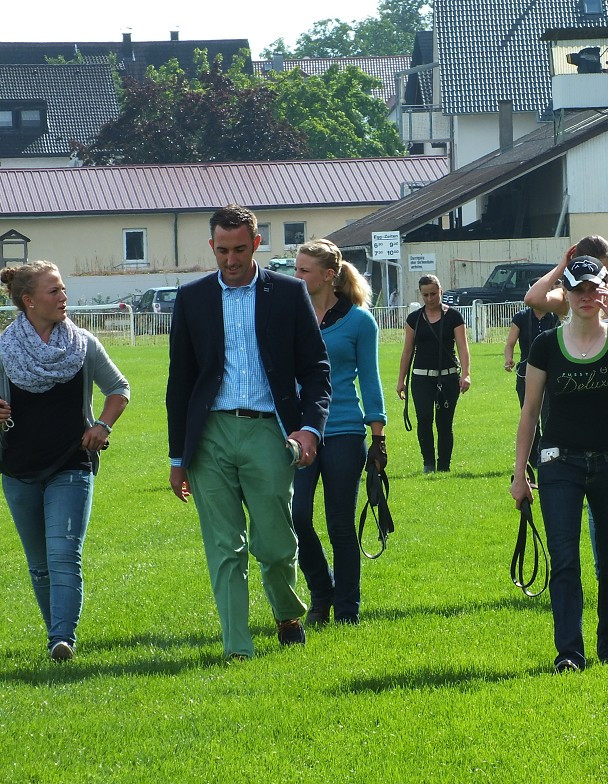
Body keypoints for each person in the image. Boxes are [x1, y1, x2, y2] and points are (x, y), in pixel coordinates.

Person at [166, 204, 331, 660]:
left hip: (269, 433)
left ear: (256, 243)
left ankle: (286, 612)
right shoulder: (193, 297)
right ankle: (237, 648)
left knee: (275, 544)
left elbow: (316, 370)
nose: (231, 259)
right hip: (210, 436)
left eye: (240, 249)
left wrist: (309, 429)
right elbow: (179, 381)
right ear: (212, 247)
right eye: (222, 250)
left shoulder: (288, 293)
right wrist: (177, 457)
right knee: (226, 547)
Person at [511, 255, 608, 672]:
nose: (585, 297)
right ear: (566, 291)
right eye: (577, 289)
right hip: (559, 464)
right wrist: (519, 473)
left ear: (604, 290)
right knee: (564, 561)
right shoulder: (546, 345)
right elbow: (529, 413)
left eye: (593, 289)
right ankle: (569, 654)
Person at [0, 261, 129, 662]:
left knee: (63, 554)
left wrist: (103, 427)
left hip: (71, 463)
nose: (63, 297)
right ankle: (54, 633)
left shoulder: (83, 344)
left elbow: (118, 389)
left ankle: (62, 640)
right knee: (39, 565)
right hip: (18, 468)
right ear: (29, 301)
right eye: (53, 291)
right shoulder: (3, 348)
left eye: (62, 289)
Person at [291, 239, 387, 625]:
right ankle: (321, 590)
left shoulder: (360, 322)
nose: (296, 276)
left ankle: (348, 610)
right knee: (297, 518)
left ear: (328, 276)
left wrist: (378, 437)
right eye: (295, 269)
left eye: (303, 270)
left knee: (340, 526)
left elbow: (371, 379)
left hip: (346, 430)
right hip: (299, 433)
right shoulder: (290, 315)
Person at [396, 274, 471, 473]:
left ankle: (444, 466)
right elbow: (407, 351)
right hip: (421, 377)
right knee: (425, 418)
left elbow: (463, 348)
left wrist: (466, 374)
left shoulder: (454, 317)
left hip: (448, 376)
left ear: (441, 291)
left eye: (433, 294)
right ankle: (428, 464)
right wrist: (401, 380)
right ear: (421, 295)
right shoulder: (414, 319)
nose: (430, 299)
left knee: (444, 423)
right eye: (426, 295)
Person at [504, 305, 560, 468]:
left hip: (552, 373)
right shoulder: (521, 317)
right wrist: (508, 359)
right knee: (529, 415)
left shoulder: (556, 317)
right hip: (526, 374)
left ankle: (550, 455)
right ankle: (534, 459)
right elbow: (510, 343)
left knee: (549, 417)